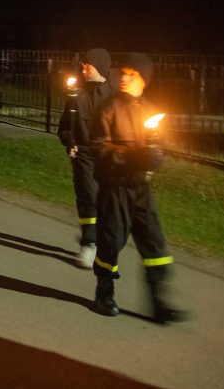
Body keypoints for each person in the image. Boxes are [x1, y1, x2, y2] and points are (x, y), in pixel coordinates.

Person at [91, 53, 185, 323]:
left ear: (144, 80)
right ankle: (104, 293)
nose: (124, 77)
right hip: (115, 188)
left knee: (153, 242)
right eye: (123, 72)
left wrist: (155, 156)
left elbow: (157, 145)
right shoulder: (108, 107)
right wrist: (130, 155)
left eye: (132, 74)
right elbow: (99, 146)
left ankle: (158, 301)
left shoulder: (150, 111)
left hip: (141, 188)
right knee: (111, 240)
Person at [57, 48, 115, 268]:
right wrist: (69, 142)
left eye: (87, 65)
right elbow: (64, 126)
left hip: (109, 155)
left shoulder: (114, 96)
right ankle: (89, 243)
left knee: (107, 200)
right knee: (88, 196)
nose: (83, 69)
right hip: (83, 154)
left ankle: (102, 239)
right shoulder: (77, 94)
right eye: (82, 65)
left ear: (99, 66)